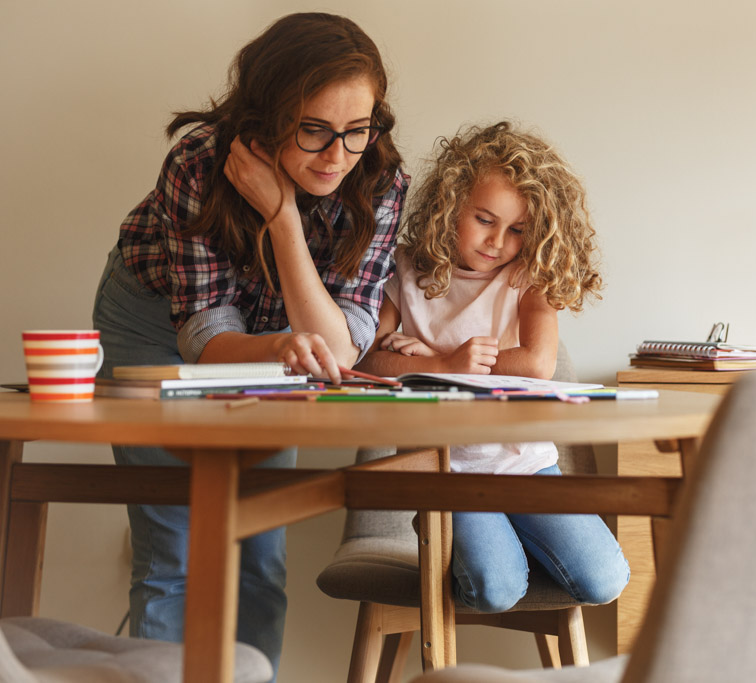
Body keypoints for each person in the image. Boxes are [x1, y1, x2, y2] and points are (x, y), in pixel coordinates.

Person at [91, 13, 407, 675]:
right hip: (158, 318)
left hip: (293, 334)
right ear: (265, 118)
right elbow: (205, 336)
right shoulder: (200, 161)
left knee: (260, 540)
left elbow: (335, 351)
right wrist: (280, 347)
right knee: (174, 545)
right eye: (314, 130)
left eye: (358, 129)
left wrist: (283, 217)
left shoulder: (380, 182)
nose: (336, 156)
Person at [356, 121, 629, 612]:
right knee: (496, 591)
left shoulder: (529, 276)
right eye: (484, 219)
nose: (498, 241)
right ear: (450, 204)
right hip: (443, 470)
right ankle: (464, 531)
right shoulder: (405, 271)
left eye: (517, 230)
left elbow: (536, 363)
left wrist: (434, 365)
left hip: (524, 465)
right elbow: (370, 360)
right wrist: (444, 359)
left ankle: (508, 535)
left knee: (604, 580)